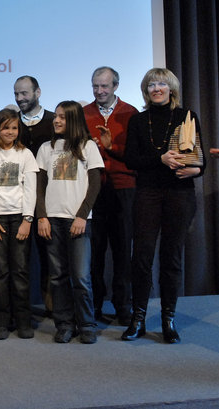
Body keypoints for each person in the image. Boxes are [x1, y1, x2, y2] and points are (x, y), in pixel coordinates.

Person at [122, 68, 203, 344]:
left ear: (171, 89)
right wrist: (160, 159)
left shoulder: (187, 116)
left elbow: (200, 160)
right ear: (146, 91)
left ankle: (169, 318)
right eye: (151, 85)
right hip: (148, 193)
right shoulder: (137, 120)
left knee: (172, 257)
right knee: (141, 257)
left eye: (161, 84)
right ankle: (138, 318)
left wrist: (197, 170)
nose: (156, 88)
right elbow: (130, 159)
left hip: (180, 193)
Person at [36, 101, 104, 344]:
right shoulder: (46, 148)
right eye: (56, 116)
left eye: (62, 117)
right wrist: (42, 216)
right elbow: (39, 186)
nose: (56, 120)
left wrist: (82, 215)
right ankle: (64, 324)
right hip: (53, 220)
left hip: (78, 221)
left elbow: (95, 184)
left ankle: (87, 324)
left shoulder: (88, 146)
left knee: (81, 276)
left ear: (74, 119)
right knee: (57, 276)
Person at [0, 108, 39, 340]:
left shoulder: (25, 154)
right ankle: (0, 322)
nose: (10, 132)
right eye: (6, 128)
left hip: (20, 218)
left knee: (20, 271)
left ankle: (23, 320)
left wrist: (28, 219)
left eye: (14, 128)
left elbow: (30, 189)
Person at [83, 67, 138, 325]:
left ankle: (123, 305)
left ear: (116, 86)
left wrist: (110, 147)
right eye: (95, 86)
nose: (99, 91)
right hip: (94, 189)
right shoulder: (84, 113)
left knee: (122, 250)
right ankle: (94, 305)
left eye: (104, 86)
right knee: (94, 252)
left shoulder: (130, 113)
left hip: (123, 187)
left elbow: (135, 154)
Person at [14, 75, 55, 316]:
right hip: (15, 200)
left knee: (50, 257)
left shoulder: (54, 121)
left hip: (47, 200)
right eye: (16, 94)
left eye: (24, 93)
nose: (20, 98)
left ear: (37, 93)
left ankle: (52, 307)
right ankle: (21, 311)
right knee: (19, 260)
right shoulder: (11, 124)